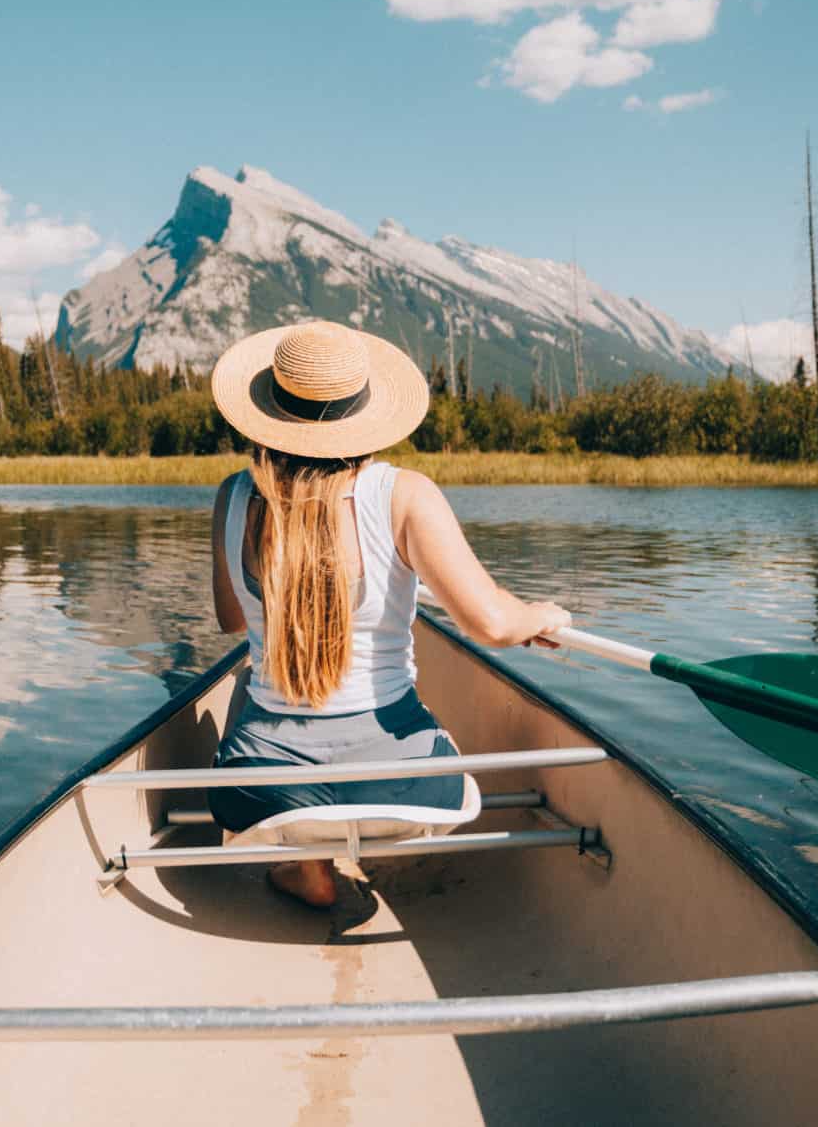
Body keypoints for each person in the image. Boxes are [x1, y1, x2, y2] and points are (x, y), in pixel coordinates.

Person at [206, 320, 570, 908]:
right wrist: (535, 615)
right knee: (420, 719)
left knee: (249, 688)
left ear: (269, 414)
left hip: (258, 790)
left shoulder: (233, 497)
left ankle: (306, 866)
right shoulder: (403, 495)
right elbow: (492, 624)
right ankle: (332, 839)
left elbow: (229, 618)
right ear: (363, 416)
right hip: (401, 787)